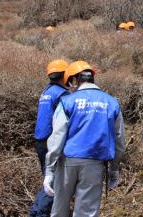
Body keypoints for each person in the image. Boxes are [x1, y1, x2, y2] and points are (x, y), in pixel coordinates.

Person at [44, 61, 126, 217]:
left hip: (67, 161)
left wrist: (49, 170)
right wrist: (114, 169)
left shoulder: (67, 102)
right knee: (86, 213)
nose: (70, 87)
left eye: (70, 83)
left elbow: (57, 137)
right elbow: (120, 141)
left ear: (75, 80)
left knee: (59, 209)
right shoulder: (112, 103)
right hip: (94, 164)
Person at [29, 60, 69, 217]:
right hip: (51, 142)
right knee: (54, 183)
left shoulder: (46, 92)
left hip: (40, 141)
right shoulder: (61, 94)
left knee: (49, 180)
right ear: (65, 75)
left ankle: (36, 211)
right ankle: (38, 213)